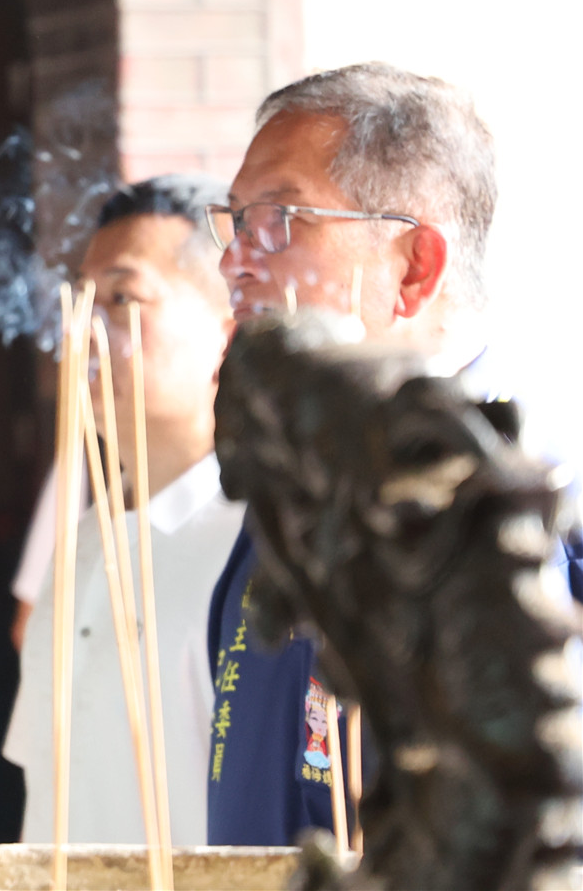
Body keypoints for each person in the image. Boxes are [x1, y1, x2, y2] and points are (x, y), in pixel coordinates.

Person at [202, 63, 500, 846]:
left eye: (277, 219)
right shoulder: (290, 494)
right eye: (235, 223)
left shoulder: (522, 517)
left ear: (415, 268)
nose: (234, 261)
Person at [2, 175, 246, 847]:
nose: (83, 329)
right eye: (80, 300)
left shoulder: (255, 549)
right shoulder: (81, 544)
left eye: (121, 298)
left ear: (227, 334)